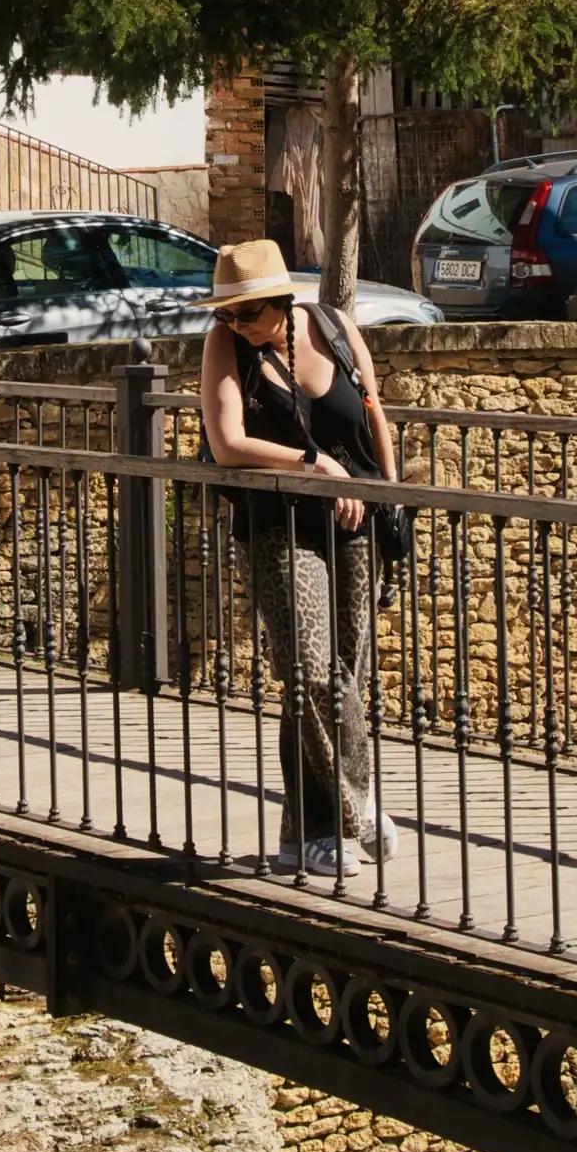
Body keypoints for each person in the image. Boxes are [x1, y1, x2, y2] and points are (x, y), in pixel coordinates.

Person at [198, 239, 403, 876]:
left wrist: (391, 501)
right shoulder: (225, 345)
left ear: (282, 302)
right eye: (228, 314)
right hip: (276, 527)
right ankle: (355, 808)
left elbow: (374, 416)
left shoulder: (336, 328)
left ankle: (305, 836)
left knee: (342, 680)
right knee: (314, 675)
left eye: (248, 314)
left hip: (357, 527)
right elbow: (227, 444)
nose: (236, 324)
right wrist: (315, 464)